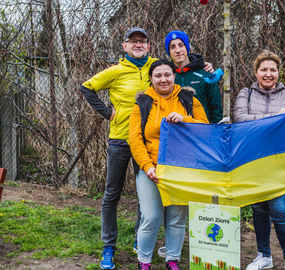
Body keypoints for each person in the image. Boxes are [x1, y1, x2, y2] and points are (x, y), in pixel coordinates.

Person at [80, 27, 157, 270]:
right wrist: (106, 111)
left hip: (147, 142)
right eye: (132, 41)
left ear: (148, 46)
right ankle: (108, 247)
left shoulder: (156, 67)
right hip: (120, 140)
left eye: (142, 41)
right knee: (112, 194)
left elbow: (183, 66)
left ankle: (139, 238)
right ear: (124, 46)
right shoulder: (115, 71)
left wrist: (204, 65)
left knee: (146, 195)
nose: (138, 44)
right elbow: (86, 87)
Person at [233, 50, 285, 270]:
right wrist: (276, 116)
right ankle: (264, 256)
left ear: (278, 72)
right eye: (264, 70)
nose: (268, 74)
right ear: (256, 72)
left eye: (273, 70)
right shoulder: (245, 94)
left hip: (280, 165)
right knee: (259, 210)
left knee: (280, 210)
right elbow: (240, 119)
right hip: (253, 163)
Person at [129, 59, 209, 270]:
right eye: (158, 76)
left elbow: (205, 128)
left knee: (176, 218)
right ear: (151, 79)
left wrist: (184, 119)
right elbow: (135, 139)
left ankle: (172, 260)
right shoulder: (142, 103)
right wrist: (147, 167)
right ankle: (144, 261)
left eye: (167, 75)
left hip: (181, 168)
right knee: (151, 217)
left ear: (174, 76)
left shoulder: (189, 99)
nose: (163, 79)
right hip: (151, 169)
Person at [165, 30, 223, 124]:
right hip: (175, 131)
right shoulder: (166, 76)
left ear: (187, 47)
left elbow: (216, 108)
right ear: (169, 51)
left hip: (201, 130)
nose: (178, 50)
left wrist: (218, 131)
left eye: (181, 45)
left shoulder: (205, 72)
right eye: (172, 47)